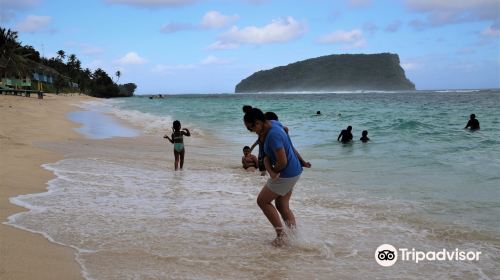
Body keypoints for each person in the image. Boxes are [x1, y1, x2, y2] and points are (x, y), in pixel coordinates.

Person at [244, 107, 303, 247]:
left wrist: (272, 171)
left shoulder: (272, 135)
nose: (252, 131)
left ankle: (281, 236)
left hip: (286, 173)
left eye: (250, 128)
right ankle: (294, 237)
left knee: (262, 201)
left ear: (258, 122)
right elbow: (285, 129)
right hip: (295, 171)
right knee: (282, 205)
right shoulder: (273, 123)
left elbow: (283, 162)